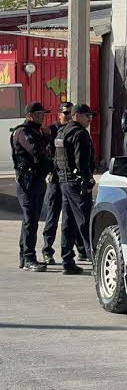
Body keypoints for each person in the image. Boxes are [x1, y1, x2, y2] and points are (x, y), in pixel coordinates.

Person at [41, 102, 86, 265]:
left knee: (73, 217)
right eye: (65, 113)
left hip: (69, 180)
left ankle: (81, 250)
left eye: (70, 113)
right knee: (52, 216)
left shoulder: (75, 130)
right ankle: (47, 251)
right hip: (56, 179)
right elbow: (44, 151)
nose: (68, 116)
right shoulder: (53, 130)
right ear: (59, 114)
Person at [11, 102, 54, 272]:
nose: (42, 117)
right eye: (38, 114)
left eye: (43, 114)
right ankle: (28, 258)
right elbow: (36, 150)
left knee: (32, 220)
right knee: (30, 220)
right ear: (29, 115)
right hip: (27, 182)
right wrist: (45, 137)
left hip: (37, 180)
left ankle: (25, 257)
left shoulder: (36, 132)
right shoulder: (23, 132)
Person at [55, 104, 97, 275]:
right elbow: (82, 161)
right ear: (77, 116)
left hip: (64, 182)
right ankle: (96, 260)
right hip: (77, 184)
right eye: (87, 115)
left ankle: (67, 261)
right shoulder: (80, 134)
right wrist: (87, 180)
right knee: (86, 221)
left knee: (69, 222)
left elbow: (56, 158)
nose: (90, 119)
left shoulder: (62, 132)